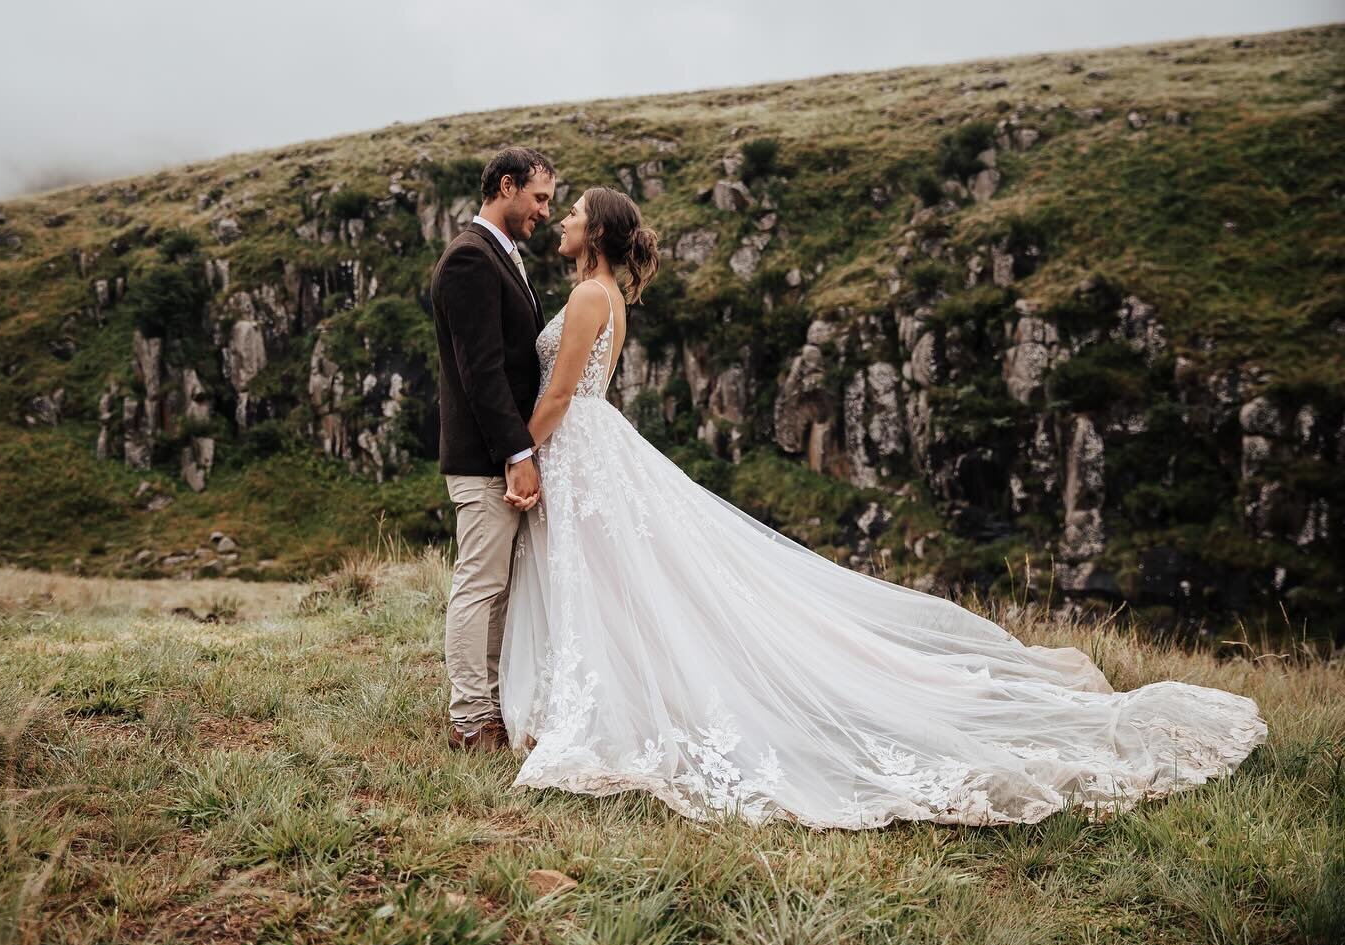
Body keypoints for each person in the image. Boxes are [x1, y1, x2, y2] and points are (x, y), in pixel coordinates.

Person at [496, 185, 1267, 829]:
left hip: (579, 446)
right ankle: (599, 694)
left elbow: (562, 392)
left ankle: (613, 707)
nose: (560, 219)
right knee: (611, 582)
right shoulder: (593, 290)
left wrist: (522, 453)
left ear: (595, 231)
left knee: (616, 578)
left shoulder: (593, 295)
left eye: (572, 214)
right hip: (590, 452)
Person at [430, 146, 555, 753]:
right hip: (484, 457)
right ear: (506, 186)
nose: (544, 213)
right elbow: (480, 372)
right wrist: (516, 452)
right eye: (538, 198)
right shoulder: (469, 260)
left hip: (500, 453)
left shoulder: (502, 256)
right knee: (479, 583)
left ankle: (494, 709)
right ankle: (470, 719)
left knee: (500, 586)